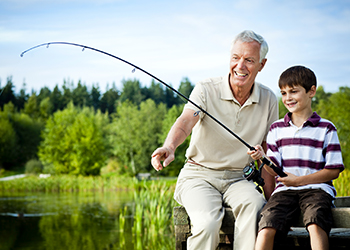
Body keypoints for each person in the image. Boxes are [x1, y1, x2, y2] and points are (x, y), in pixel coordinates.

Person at [151, 30, 278, 250]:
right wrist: (169, 146)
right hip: (199, 176)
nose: (240, 66)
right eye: (236, 58)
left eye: (249, 60)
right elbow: (185, 121)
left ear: (262, 64)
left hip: (239, 179)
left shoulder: (269, 99)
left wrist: (273, 197)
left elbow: (267, 152)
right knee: (207, 223)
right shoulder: (206, 89)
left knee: (255, 205)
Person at [248, 65, 344, 250]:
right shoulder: (276, 128)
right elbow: (273, 168)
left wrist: (299, 181)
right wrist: (262, 158)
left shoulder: (326, 128)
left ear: (311, 91)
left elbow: (333, 171)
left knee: (315, 223)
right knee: (266, 225)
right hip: (284, 191)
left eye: (293, 91)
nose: (287, 98)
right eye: (283, 93)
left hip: (318, 189)